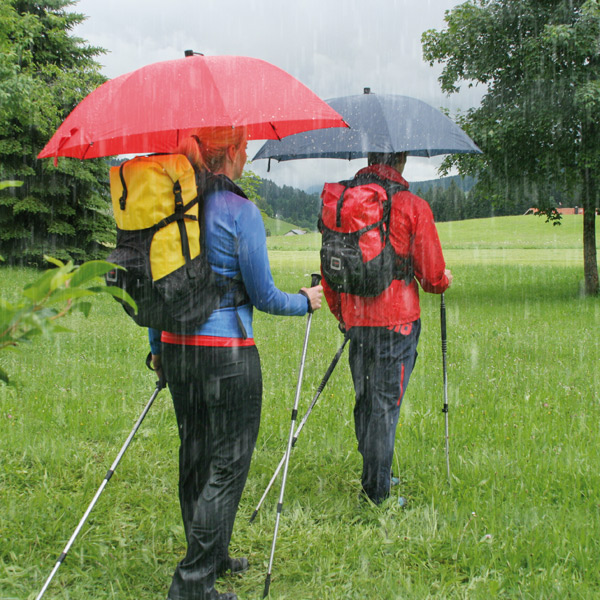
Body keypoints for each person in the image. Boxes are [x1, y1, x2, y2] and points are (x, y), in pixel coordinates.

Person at [149, 126, 323, 600]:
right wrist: (305, 301)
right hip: (228, 355)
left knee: (195, 457)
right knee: (226, 466)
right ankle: (193, 585)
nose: (248, 154)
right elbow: (264, 295)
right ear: (230, 152)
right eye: (245, 146)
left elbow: (158, 291)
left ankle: (214, 555)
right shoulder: (241, 212)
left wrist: (158, 348)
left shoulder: (170, 209)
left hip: (177, 349)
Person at [321, 151, 452, 506]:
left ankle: (375, 475)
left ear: (369, 155)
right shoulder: (412, 205)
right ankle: (377, 493)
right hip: (397, 323)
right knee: (383, 406)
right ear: (402, 158)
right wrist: (443, 281)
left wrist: (342, 313)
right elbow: (432, 276)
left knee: (366, 402)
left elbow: (333, 267)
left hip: (356, 320)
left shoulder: (344, 203)